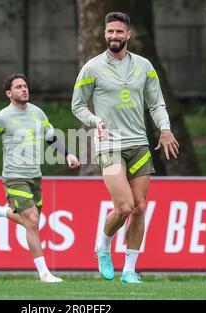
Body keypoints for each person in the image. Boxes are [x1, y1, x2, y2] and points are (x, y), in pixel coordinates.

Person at [71, 12, 179, 284]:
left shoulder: (144, 66)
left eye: (119, 32)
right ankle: (103, 246)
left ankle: (129, 270)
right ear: (104, 34)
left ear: (128, 34)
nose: (114, 37)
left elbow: (156, 104)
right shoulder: (92, 68)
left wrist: (165, 129)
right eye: (110, 32)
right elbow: (77, 105)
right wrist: (96, 121)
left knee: (140, 208)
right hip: (110, 144)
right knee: (124, 206)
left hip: (139, 143)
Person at [0, 73, 80, 283]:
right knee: (32, 220)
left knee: (31, 223)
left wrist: (68, 154)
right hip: (14, 176)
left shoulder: (37, 113)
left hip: (35, 176)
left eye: (25, 86)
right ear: (9, 93)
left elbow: (51, 137)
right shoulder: (2, 117)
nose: (24, 89)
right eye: (18, 87)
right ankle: (44, 273)